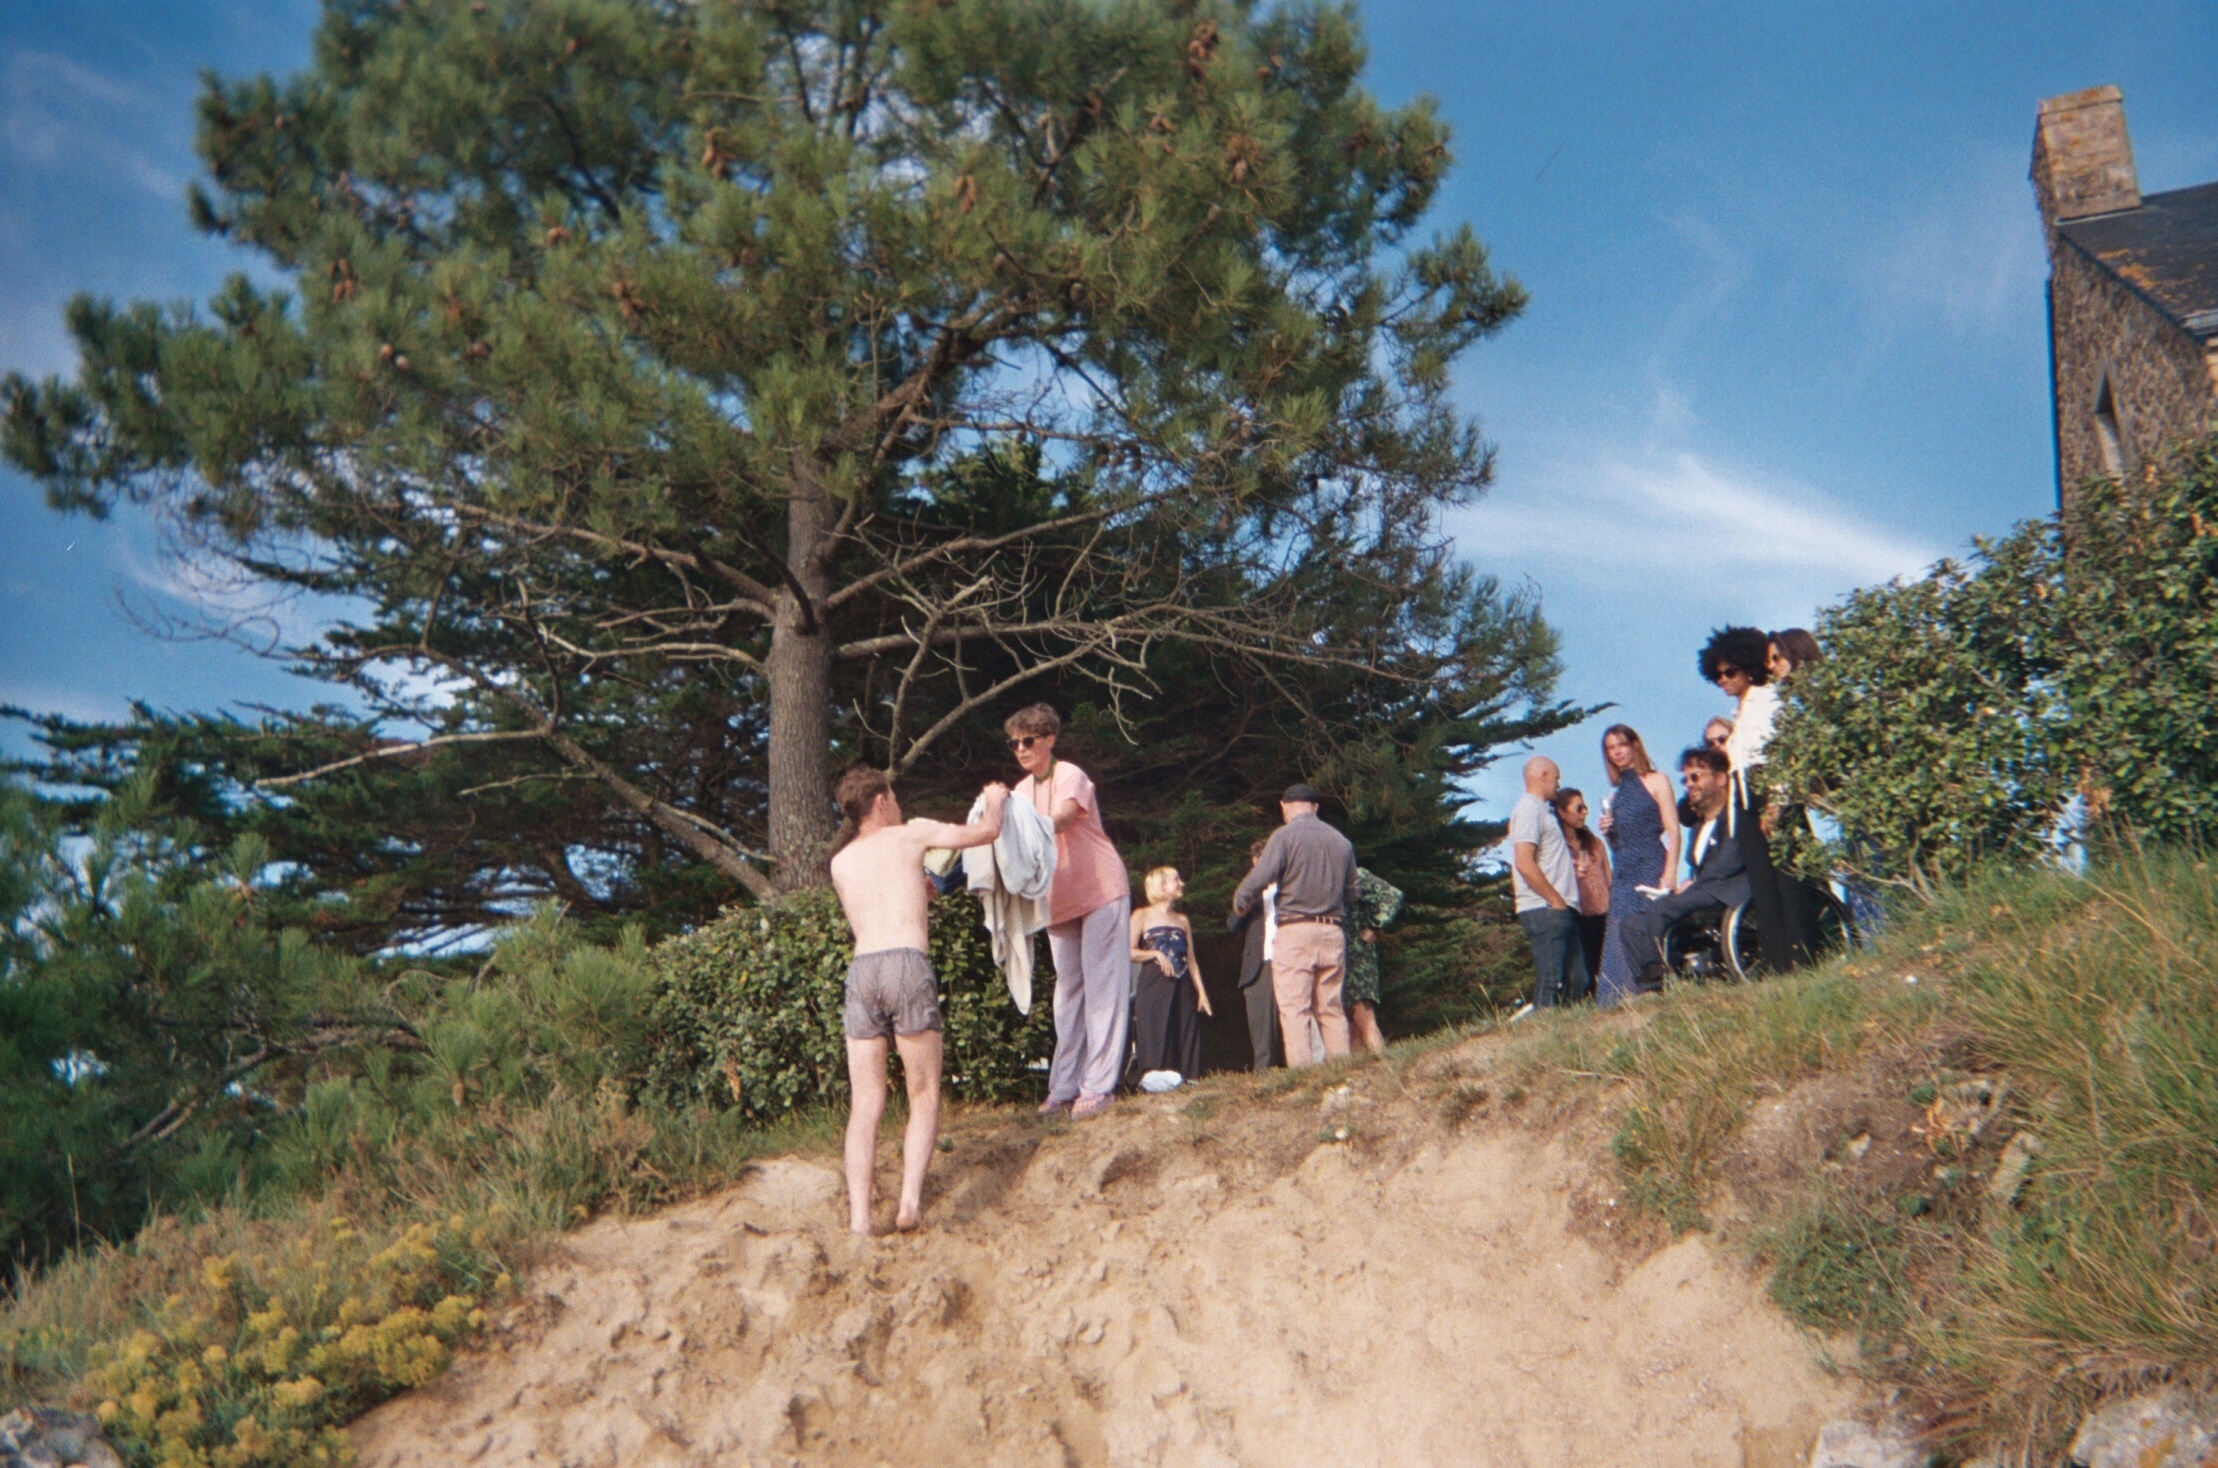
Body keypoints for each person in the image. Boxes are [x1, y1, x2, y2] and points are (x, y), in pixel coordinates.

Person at [826, 764, 1009, 1235]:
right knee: (923, 1092)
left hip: (863, 971)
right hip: (906, 962)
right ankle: (908, 1204)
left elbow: (878, 900)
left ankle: (860, 1218)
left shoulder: (840, 862)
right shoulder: (911, 834)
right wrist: (995, 798)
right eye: (894, 797)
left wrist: (916, 891)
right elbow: (986, 832)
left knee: (865, 1101)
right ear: (880, 801)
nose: (899, 804)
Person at [1007, 704, 1134, 1120]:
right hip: (1057, 901)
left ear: (1049, 739)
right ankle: (1064, 1089)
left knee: (1103, 987)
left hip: (1101, 891)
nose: (1021, 749)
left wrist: (1021, 828)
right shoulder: (1020, 791)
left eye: (1028, 740)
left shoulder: (1069, 774)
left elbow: (1062, 817)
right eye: (1014, 743)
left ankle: (1098, 1087)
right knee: (1067, 996)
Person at [1232, 784, 1359, 1065]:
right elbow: (1353, 892)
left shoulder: (1284, 836)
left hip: (1295, 930)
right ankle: (1342, 1071)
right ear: (1315, 807)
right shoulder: (1341, 841)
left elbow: (1260, 876)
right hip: (1332, 931)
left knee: (1295, 1008)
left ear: (1284, 807)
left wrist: (1241, 899)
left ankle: (1304, 1076)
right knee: (1331, 1008)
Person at [1701, 625, 1803, 975]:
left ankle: (1805, 958)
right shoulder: (1740, 711)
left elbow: (1784, 753)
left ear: (1747, 667)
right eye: (1717, 675)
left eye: (1729, 672)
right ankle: (1778, 965)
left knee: (1788, 881)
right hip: (1744, 797)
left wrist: (1777, 802)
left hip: (1769, 790)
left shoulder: (1768, 699)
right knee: (1763, 887)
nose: (1723, 680)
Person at [1616, 746, 1750, 988]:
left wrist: (1694, 884)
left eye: (1695, 777)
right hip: (1703, 891)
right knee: (1631, 924)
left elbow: (1727, 864)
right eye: (1685, 780)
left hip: (1726, 892)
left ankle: (1658, 979)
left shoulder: (1735, 817)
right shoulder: (1699, 827)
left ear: (1721, 778)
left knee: (1663, 908)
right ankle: (1652, 984)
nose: (1689, 784)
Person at [1591, 727, 1681, 1007]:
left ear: (1634, 745)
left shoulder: (1657, 780)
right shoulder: (1614, 796)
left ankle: (1656, 990)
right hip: (1623, 871)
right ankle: (1620, 999)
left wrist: (1670, 872)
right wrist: (1608, 830)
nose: (1617, 752)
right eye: (1611, 748)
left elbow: (1673, 829)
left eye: (1621, 745)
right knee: (1619, 934)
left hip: (1650, 862)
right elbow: (1617, 844)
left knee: (1648, 928)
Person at [1507, 756, 1587, 1013]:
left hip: (1559, 907)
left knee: (1578, 980)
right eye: (1556, 778)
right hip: (1545, 908)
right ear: (1542, 776)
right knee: (1551, 983)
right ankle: (1541, 1026)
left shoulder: (1543, 811)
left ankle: (1565, 1029)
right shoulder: (1528, 809)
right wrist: (1555, 899)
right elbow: (1524, 861)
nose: (1558, 784)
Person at [1129, 866, 1212, 1083]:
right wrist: (1154, 953)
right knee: (1156, 1031)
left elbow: (1191, 959)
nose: (1181, 883)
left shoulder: (1182, 920)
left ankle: (1189, 1080)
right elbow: (1128, 951)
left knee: (1185, 1031)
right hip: (1154, 983)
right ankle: (1155, 1081)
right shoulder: (1141, 916)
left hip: (1182, 983)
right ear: (1161, 885)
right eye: (1176, 880)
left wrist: (1202, 993)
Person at [1228, 837, 1280, 1072]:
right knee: (1261, 1024)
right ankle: (1263, 1074)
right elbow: (1232, 924)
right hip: (1259, 963)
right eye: (1260, 860)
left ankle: (1302, 1070)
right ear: (1254, 862)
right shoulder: (1250, 890)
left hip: (1289, 956)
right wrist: (1245, 905)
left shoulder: (1291, 883)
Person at [1552, 788, 1611, 990]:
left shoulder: (1595, 844)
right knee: (1585, 974)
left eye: (1585, 807)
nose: (1584, 812)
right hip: (1579, 918)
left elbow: (1609, 878)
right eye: (1578, 808)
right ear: (1562, 812)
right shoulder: (1556, 847)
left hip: (1604, 915)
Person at [1344, 867, 1406, 1052]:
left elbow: (1393, 895)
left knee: (1366, 1020)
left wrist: (1374, 925)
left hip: (1358, 960)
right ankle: (1362, 1067)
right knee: (1351, 1025)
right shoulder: (1325, 875)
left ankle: (1385, 1065)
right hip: (1338, 956)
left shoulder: (1355, 875)